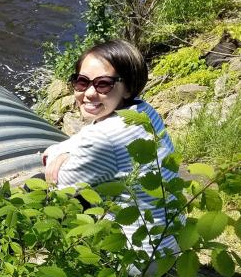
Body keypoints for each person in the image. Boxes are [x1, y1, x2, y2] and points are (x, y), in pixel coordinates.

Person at [41, 39, 179, 265]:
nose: (89, 93)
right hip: (169, 243)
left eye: (103, 84)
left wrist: (54, 155)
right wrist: (62, 151)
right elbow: (81, 140)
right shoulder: (143, 111)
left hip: (139, 259)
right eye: (81, 81)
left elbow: (57, 185)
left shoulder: (104, 137)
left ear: (128, 87)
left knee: (52, 202)